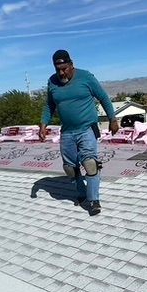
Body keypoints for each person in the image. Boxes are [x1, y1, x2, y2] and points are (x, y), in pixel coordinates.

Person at [39, 49, 118, 216]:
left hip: (87, 128)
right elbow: (49, 105)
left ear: (71, 64)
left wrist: (113, 119)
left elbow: (103, 97)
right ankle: (82, 193)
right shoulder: (52, 81)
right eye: (57, 69)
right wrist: (43, 124)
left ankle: (94, 200)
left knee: (90, 163)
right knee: (70, 168)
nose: (61, 72)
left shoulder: (86, 77)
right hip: (67, 131)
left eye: (64, 68)